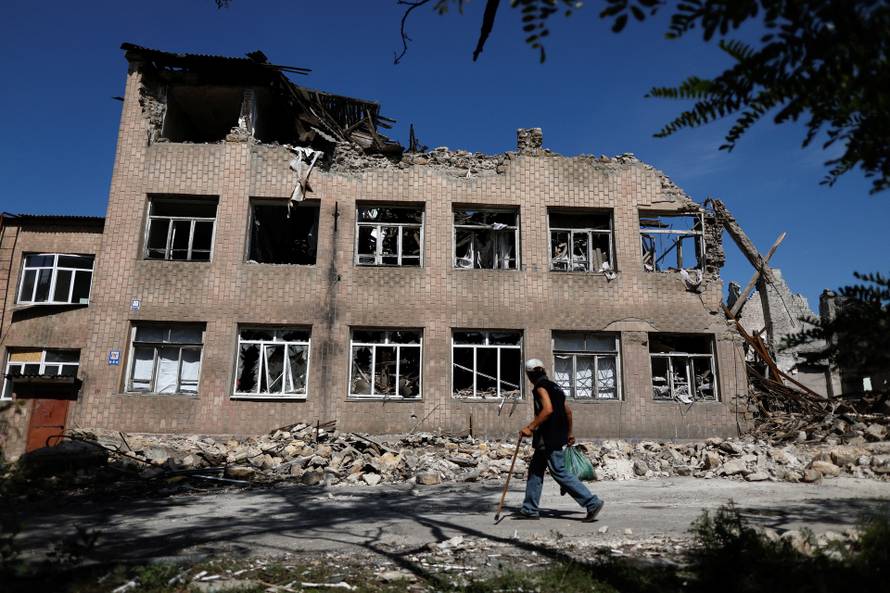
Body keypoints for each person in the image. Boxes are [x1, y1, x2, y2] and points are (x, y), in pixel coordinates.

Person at [515, 358, 604, 521]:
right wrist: (569, 433)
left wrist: (530, 427)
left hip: (548, 437)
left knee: (559, 471)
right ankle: (529, 508)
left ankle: (592, 502)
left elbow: (547, 410)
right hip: (557, 436)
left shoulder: (540, 388)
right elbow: (568, 412)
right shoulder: (556, 388)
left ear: (529, 375)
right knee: (535, 471)